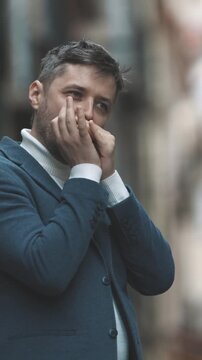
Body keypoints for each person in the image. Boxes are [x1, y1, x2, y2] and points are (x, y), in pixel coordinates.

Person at [0, 40, 174, 360]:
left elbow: (158, 276)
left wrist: (109, 179)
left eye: (102, 105)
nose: (87, 114)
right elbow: (46, 269)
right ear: (36, 94)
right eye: (75, 95)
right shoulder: (7, 174)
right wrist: (85, 172)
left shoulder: (95, 181)